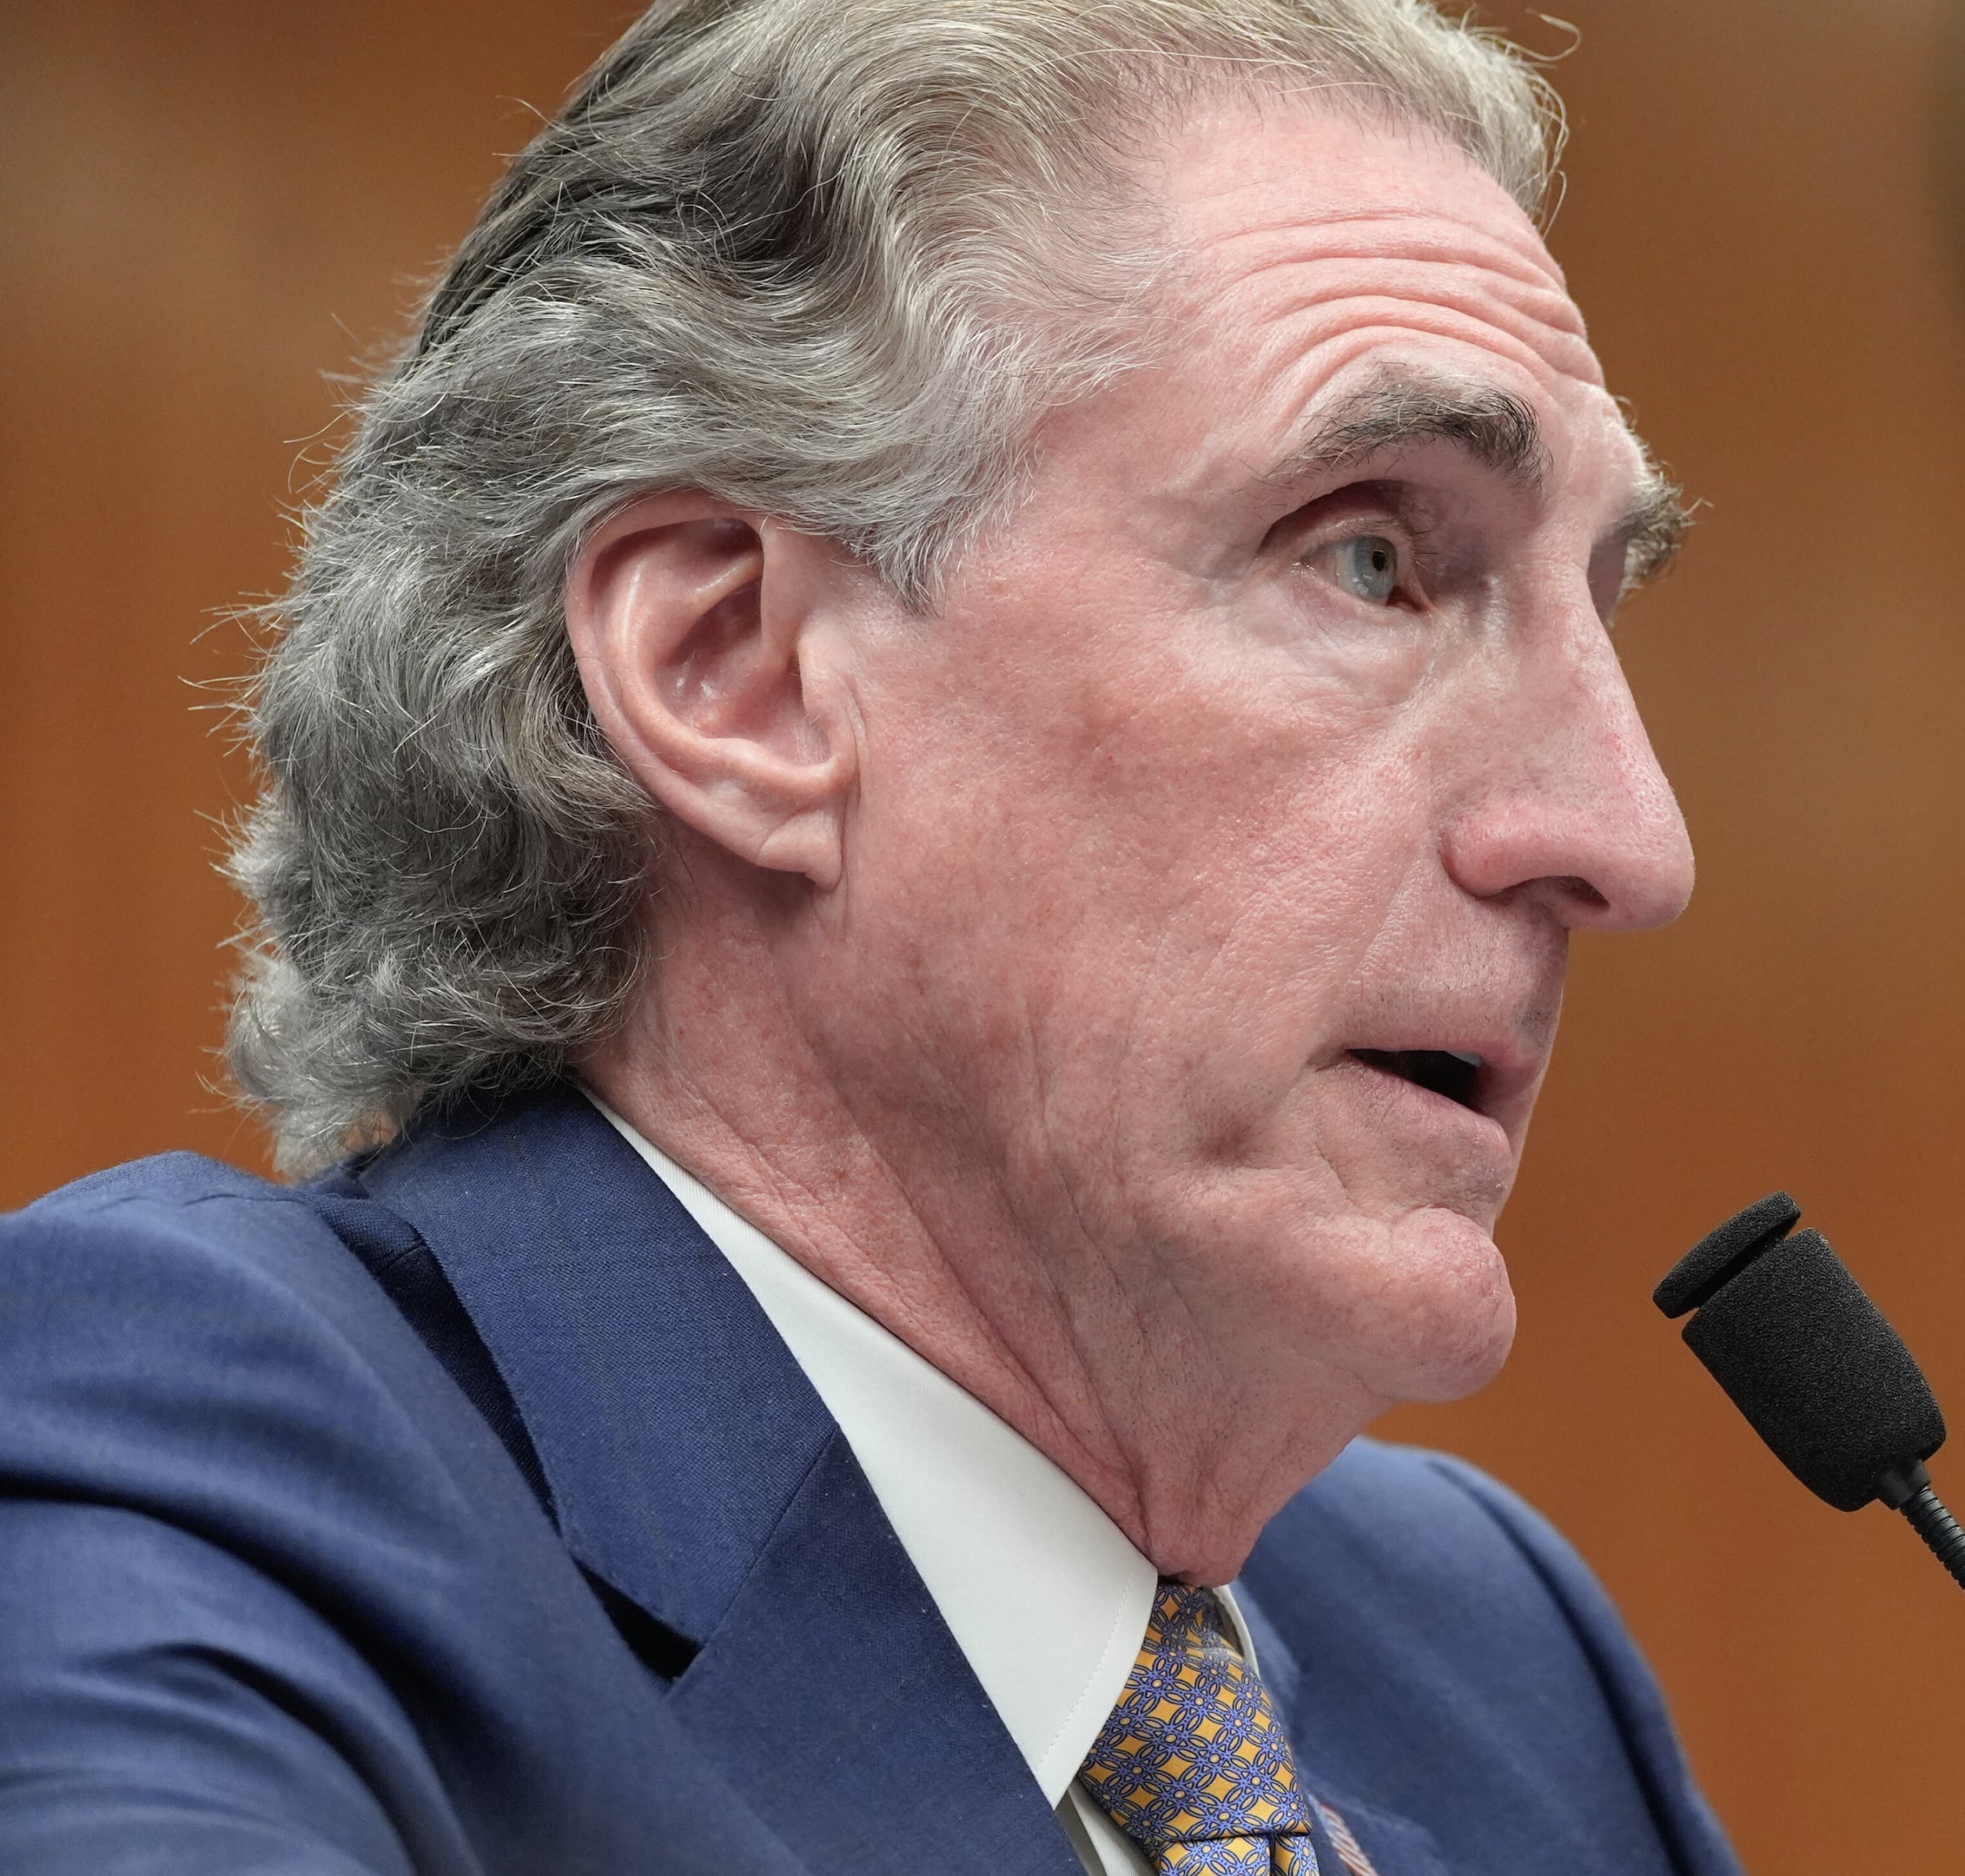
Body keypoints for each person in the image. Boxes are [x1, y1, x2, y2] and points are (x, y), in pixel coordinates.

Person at [0, 3, 1738, 1872]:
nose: (1630, 843)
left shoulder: (1484, 1651)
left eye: (1603, 606)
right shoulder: (190, 1447)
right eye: (1372, 559)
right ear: (731, 675)